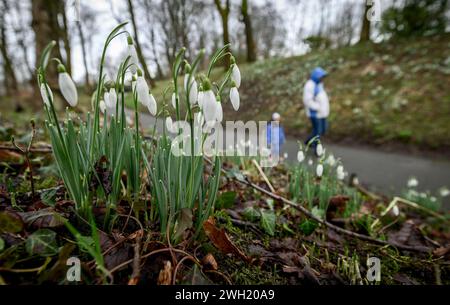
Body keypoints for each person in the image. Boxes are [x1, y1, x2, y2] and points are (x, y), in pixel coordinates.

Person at [303, 67, 329, 150]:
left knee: (321, 130)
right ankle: (316, 149)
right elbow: (307, 100)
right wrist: (318, 107)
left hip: (322, 113)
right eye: (321, 76)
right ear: (316, 76)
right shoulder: (309, 85)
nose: (323, 78)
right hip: (315, 114)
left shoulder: (319, 84)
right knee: (318, 131)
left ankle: (308, 141)